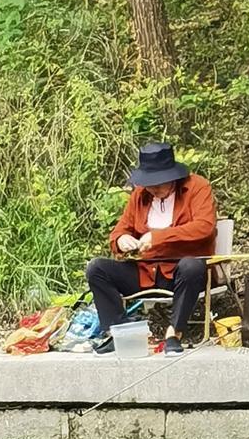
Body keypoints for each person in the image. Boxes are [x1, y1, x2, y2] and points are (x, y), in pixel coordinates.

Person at [85, 142, 217, 355]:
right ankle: (122, 332)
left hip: (182, 272)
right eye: (149, 183)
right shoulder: (140, 195)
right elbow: (119, 231)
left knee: (191, 266)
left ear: (172, 177)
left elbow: (205, 227)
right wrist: (122, 240)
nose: (153, 189)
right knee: (97, 268)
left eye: (159, 183)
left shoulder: (197, 187)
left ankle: (174, 333)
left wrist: (158, 237)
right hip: (145, 270)